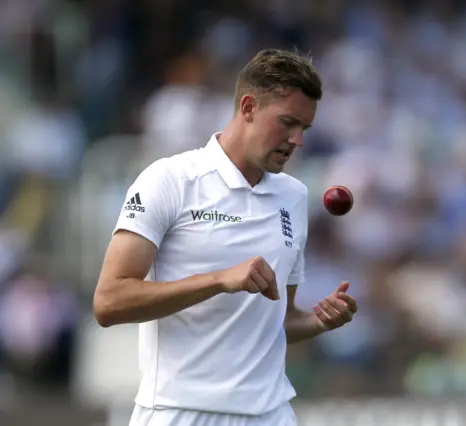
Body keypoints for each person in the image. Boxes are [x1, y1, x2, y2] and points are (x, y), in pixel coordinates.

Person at [93, 49, 359, 426]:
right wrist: (219, 280)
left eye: (305, 128)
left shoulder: (294, 196)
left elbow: (277, 320)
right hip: (179, 413)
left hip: (271, 414)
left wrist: (319, 320)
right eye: (287, 123)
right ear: (248, 107)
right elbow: (109, 302)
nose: (297, 140)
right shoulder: (170, 180)